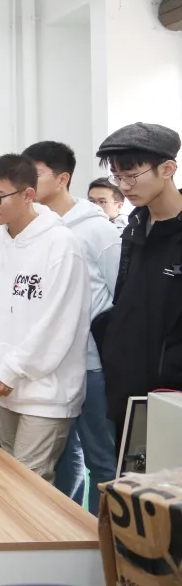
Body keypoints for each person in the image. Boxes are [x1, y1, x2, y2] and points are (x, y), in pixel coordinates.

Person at [0, 154, 89, 481]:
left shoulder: (60, 244)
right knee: (9, 476)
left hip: (47, 392)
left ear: (28, 195)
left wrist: (9, 370)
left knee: (28, 483)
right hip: (5, 387)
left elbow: (55, 325)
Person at [23, 142, 120, 514]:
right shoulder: (34, 226)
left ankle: (102, 538)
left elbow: (119, 295)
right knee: (63, 456)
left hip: (91, 365)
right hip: (49, 364)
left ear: (63, 178)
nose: (26, 181)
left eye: (36, 173)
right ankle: (64, 529)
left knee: (101, 459)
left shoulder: (97, 230)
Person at [95, 123, 182, 451]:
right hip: (127, 392)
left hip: (171, 397)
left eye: (132, 175)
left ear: (167, 169)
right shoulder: (133, 230)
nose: (124, 186)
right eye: (117, 176)